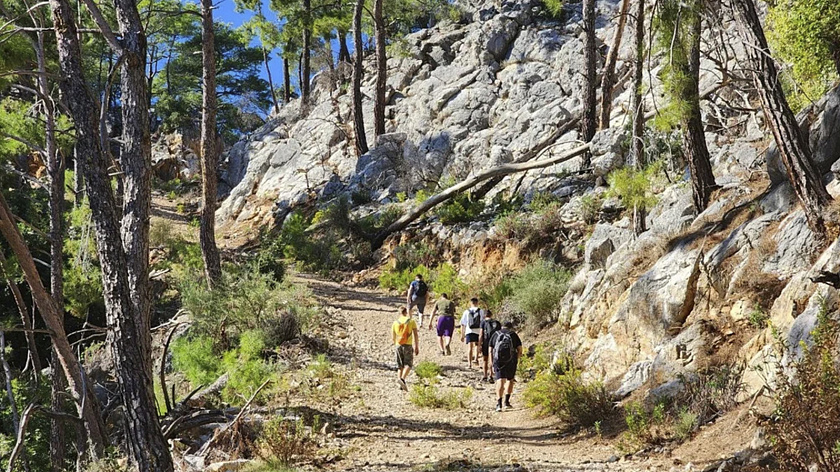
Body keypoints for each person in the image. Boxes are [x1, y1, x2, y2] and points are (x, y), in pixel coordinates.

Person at [489, 321, 523, 412]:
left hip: (498, 360)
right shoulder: (513, 334)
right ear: (510, 327)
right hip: (511, 361)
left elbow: (490, 349)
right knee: (510, 380)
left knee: (500, 380)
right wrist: (516, 359)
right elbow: (520, 350)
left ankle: (498, 404)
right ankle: (507, 402)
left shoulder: (496, 334)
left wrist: (491, 362)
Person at [391, 306, 419, 391]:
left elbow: (393, 337)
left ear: (399, 313)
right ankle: (402, 379)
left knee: (400, 365)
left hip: (398, 345)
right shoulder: (411, 321)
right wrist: (416, 346)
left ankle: (400, 385)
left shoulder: (395, 323)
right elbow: (415, 334)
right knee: (409, 364)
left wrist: (395, 344)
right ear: (406, 312)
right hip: (408, 345)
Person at [459, 297, 483, 369]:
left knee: (470, 347)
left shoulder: (466, 311)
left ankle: (469, 364)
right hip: (478, 331)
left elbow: (463, 324)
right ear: (477, 303)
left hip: (469, 331)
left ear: (471, 303)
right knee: (477, 345)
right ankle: (476, 359)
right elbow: (483, 322)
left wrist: (462, 335)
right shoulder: (481, 311)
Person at [479, 310, 501, 383]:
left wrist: (479, 345)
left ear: (484, 315)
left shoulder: (483, 322)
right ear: (491, 315)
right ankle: (491, 375)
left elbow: (481, 334)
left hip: (486, 342)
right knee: (493, 358)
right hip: (495, 343)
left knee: (485, 359)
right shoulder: (497, 323)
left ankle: (485, 376)